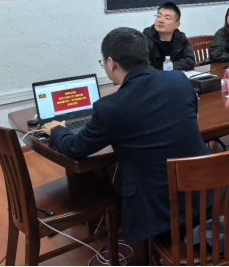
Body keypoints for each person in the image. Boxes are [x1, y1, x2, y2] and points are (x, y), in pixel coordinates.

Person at [40, 27, 212, 244]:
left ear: (111, 63)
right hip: (206, 194)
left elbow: (75, 148)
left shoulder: (110, 107)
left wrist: (56, 129)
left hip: (159, 215)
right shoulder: (178, 79)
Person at [143, 2, 195, 71]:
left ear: (177, 25)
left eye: (167, 18)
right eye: (159, 16)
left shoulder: (181, 38)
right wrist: (164, 73)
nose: (160, 20)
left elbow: (190, 61)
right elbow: (145, 67)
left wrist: (166, 67)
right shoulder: (144, 39)